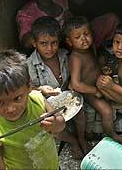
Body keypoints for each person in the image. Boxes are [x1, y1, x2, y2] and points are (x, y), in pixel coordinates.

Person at [0, 50, 65, 170]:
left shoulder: (38, 100)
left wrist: (55, 123)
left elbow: (61, 124)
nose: (10, 109)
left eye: (17, 98)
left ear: (29, 87)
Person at [26, 16, 90, 159]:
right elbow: (28, 89)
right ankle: (72, 141)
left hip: (67, 98)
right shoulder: (30, 64)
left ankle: (81, 138)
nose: (50, 48)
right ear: (34, 43)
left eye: (54, 43)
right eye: (43, 43)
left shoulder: (65, 55)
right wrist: (41, 90)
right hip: (47, 103)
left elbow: (74, 75)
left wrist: (73, 83)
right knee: (51, 126)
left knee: (80, 112)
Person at [63, 16, 122, 144]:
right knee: (107, 111)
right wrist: (94, 90)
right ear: (69, 42)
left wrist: (103, 68)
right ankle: (111, 135)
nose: (84, 39)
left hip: (100, 83)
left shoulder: (90, 48)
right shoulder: (75, 58)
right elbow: (76, 84)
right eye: (77, 37)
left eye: (86, 34)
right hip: (89, 91)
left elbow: (94, 64)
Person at [16, 0, 118, 50]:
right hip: (54, 50)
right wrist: (54, 36)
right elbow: (26, 41)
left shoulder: (61, 0)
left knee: (111, 19)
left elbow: (76, 18)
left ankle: (104, 50)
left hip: (76, 41)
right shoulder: (27, 12)